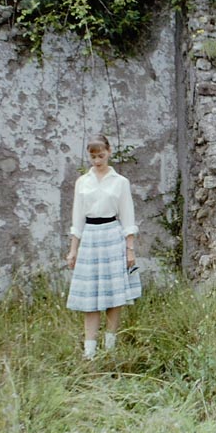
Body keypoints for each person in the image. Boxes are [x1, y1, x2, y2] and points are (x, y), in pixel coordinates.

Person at [65, 134, 142, 358]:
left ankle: (110, 347)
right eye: (93, 156)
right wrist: (73, 250)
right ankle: (89, 352)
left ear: (109, 152)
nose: (97, 160)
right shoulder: (82, 182)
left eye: (101, 155)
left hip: (112, 237)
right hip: (90, 238)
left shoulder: (120, 182)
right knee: (90, 296)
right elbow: (77, 219)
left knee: (114, 295)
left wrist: (130, 249)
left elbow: (128, 217)